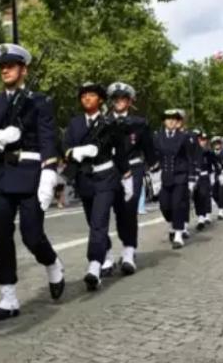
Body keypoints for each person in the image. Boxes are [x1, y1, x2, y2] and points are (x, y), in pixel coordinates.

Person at [0, 44, 66, 323]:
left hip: (30, 173)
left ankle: (52, 264)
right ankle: (8, 297)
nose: (5, 70)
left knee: (31, 236)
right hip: (3, 175)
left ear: (23, 70)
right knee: (0, 236)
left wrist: (49, 172)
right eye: (2, 66)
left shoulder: (38, 101)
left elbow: (49, 137)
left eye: (11, 66)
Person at [63, 82, 128, 291]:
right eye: (83, 96)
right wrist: (75, 152)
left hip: (106, 176)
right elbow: (64, 147)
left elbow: (121, 150)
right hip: (84, 178)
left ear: (100, 99)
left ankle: (94, 266)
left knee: (100, 221)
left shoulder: (110, 122)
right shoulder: (74, 124)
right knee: (93, 222)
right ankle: (106, 254)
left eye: (91, 95)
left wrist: (127, 178)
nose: (86, 99)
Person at [105, 81, 156, 276]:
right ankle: (107, 253)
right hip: (111, 169)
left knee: (129, 207)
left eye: (123, 98)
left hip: (133, 167)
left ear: (129, 101)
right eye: (115, 98)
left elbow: (148, 148)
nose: (119, 102)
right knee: (114, 211)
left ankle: (128, 251)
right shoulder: (104, 122)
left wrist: (154, 166)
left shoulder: (139, 123)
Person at [153, 109, 198, 249]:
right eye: (168, 118)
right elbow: (155, 156)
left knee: (177, 204)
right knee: (164, 205)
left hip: (180, 176)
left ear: (178, 122)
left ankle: (178, 235)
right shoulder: (158, 136)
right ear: (164, 121)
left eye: (174, 119)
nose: (171, 121)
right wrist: (153, 174)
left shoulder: (183, 137)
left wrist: (191, 178)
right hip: (165, 176)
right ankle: (172, 223)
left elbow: (190, 158)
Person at [192, 130, 217, 230]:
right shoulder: (191, 151)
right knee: (197, 197)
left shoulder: (208, 152)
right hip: (194, 177)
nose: (202, 142)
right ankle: (200, 216)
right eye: (200, 139)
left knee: (205, 195)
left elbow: (214, 164)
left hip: (205, 176)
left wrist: (215, 175)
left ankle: (206, 215)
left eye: (204, 140)